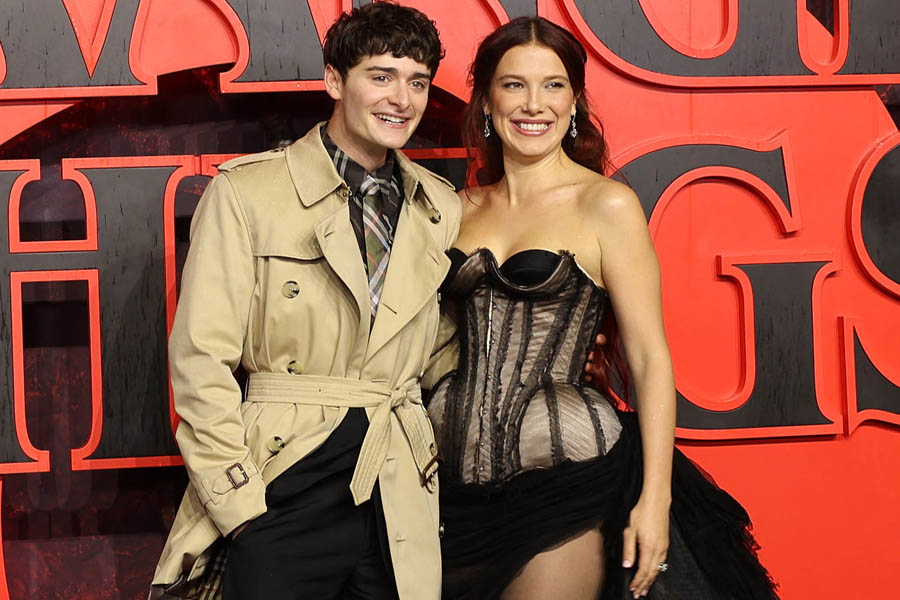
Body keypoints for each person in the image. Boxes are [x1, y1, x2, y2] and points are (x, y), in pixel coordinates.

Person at [426, 17, 780, 600]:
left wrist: (655, 500)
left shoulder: (606, 205)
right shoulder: (454, 208)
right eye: (514, 85)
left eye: (554, 85)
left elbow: (649, 358)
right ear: (486, 101)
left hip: (565, 485)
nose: (534, 104)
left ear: (574, 103)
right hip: (448, 495)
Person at [149, 4, 461, 599]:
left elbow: (440, 350)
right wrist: (241, 508)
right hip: (284, 473)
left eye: (417, 82)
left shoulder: (439, 205)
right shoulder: (248, 192)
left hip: (398, 482)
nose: (402, 99)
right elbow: (200, 359)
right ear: (334, 81)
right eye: (381, 76)